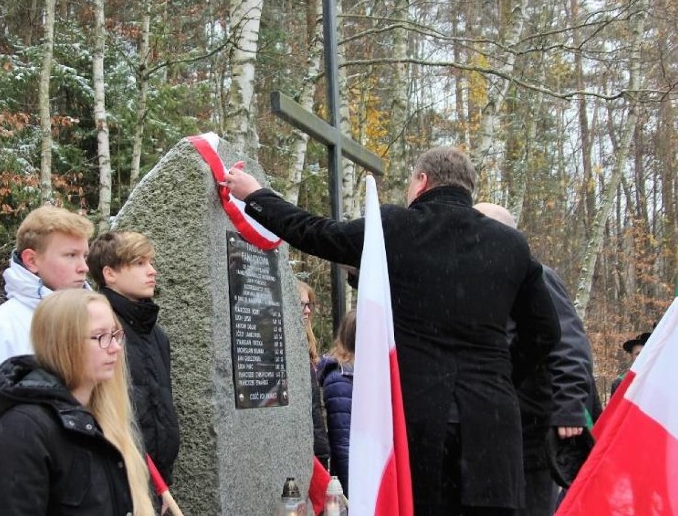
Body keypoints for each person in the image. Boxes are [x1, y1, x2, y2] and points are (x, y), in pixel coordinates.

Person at [224, 146, 561, 516]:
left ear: (422, 181)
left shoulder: (396, 227)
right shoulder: (510, 244)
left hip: (416, 417)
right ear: (469, 188)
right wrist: (501, 377)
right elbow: (545, 331)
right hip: (490, 423)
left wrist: (255, 195)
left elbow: (314, 231)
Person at [0, 205, 94, 511]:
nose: (83, 267)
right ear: (32, 260)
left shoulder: (90, 321)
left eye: (84, 255)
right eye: (70, 255)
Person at [474, 202, 600, 515]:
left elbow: (569, 344)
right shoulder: (479, 279)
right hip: (491, 429)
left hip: (530, 429)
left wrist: (570, 407)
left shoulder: (536, 278)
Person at [0, 289, 155, 515]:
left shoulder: (103, 416)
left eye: (115, 335)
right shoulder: (24, 429)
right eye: (101, 336)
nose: (115, 347)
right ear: (63, 343)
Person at [86, 231, 180, 488]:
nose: (152, 271)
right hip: (115, 478)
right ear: (110, 274)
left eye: (151, 263)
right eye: (139, 263)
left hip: (158, 480)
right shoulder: (97, 331)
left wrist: (164, 480)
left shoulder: (156, 335)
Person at [317, 309, 356, 497]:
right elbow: (343, 443)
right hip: (356, 482)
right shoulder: (340, 378)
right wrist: (355, 490)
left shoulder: (366, 372)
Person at [298, 280, 330, 470]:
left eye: (309, 304)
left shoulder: (308, 347)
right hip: (310, 446)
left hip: (316, 444)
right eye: (302, 304)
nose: (308, 310)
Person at [610, 331, 651, 396]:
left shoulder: (657, 378)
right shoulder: (620, 382)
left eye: (644, 353)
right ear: (631, 356)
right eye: (637, 354)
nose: (641, 357)